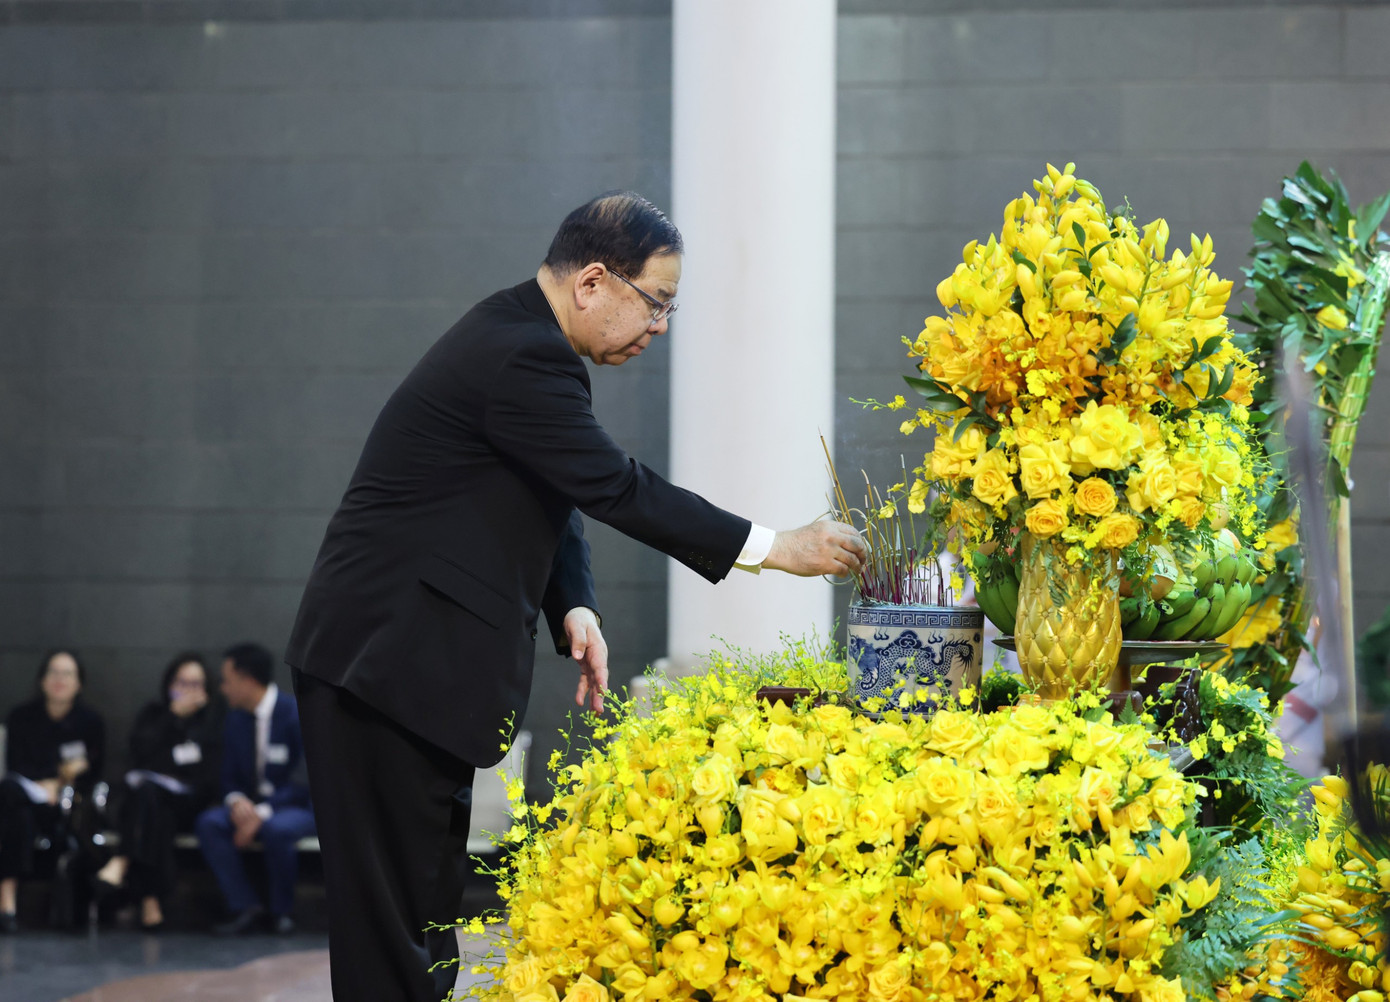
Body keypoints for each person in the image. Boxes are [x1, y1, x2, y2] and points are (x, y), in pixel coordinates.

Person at [286, 191, 866, 1001]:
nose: (660, 326)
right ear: (594, 281)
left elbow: (552, 490)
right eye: (656, 303)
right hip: (384, 666)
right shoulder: (522, 354)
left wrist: (574, 604)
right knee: (393, 937)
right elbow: (613, 486)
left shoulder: (522, 342)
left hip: (402, 669)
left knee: (422, 924)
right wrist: (779, 548)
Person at [94, 652, 223, 930]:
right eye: (181, 683)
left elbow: (206, 777)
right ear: (169, 684)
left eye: (195, 684)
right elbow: (141, 755)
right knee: (155, 812)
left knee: (149, 802)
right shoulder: (155, 714)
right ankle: (151, 901)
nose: (187, 691)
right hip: (153, 803)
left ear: (206, 689)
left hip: (190, 805)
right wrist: (172, 717)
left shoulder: (212, 723)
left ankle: (122, 859)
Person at [194, 643, 314, 935]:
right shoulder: (235, 718)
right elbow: (228, 777)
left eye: (227, 680)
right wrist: (236, 802)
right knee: (210, 823)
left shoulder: (295, 714)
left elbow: (304, 780)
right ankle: (245, 906)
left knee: (278, 830)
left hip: (296, 807)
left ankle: (282, 912)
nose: (223, 688)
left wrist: (260, 813)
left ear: (248, 681)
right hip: (253, 806)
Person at [0, 649, 106, 933]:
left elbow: (95, 770)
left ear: (79, 683)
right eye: (54, 673)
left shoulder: (89, 722)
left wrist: (61, 783)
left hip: (68, 804)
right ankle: (7, 901)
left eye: (68, 674)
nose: (60, 679)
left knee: (14, 806)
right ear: (42, 680)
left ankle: (8, 900)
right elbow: (16, 764)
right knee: (14, 805)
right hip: (26, 796)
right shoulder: (22, 717)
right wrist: (44, 782)